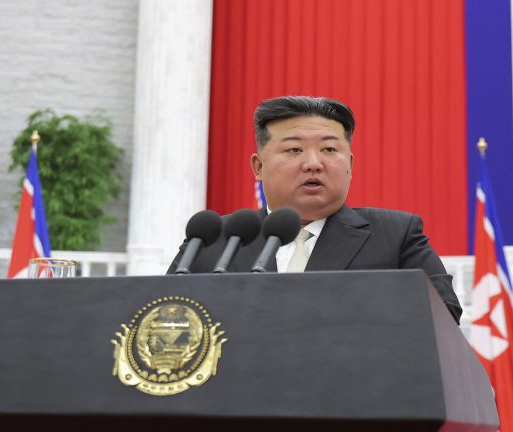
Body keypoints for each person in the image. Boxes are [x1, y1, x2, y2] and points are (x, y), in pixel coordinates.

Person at [168, 96, 462, 323]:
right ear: (258, 167)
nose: (313, 163)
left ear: (350, 165)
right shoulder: (214, 239)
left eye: (329, 150)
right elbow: (165, 319)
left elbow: (443, 315)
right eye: (294, 150)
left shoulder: (396, 235)